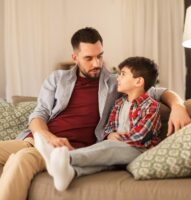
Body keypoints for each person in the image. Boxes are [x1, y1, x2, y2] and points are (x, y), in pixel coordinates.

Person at [0, 27, 191, 200]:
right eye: (89, 58)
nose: (96, 63)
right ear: (75, 57)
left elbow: (158, 91)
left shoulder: (115, 82)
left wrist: (179, 105)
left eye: (100, 56)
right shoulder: (57, 79)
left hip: (68, 149)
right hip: (36, 139)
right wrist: (46, 135)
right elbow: (38, 113)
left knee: (22, 161)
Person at [35, 56, 163, 191]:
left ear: (138, 81)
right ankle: (70, 173)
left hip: (139, 150)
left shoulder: (151, 106)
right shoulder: (119, 103)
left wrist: (116, 139)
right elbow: (110, 126)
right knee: (102, 161)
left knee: (109, 149)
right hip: (116, 148)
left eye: (123, 74)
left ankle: (65, 157)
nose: (118, 78)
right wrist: (109, 135)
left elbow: (140, 136)